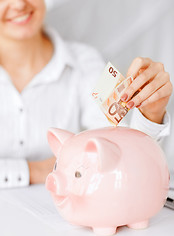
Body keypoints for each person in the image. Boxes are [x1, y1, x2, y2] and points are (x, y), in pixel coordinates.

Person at [0, 0, 172, 189]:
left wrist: (152, 114)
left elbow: (123, 159)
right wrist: (36, 171)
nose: (18, 4)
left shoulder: (88, 61)